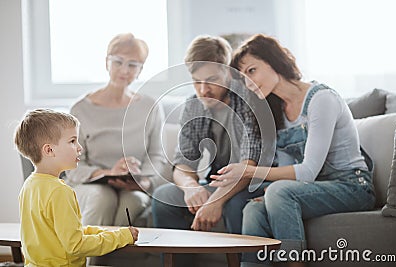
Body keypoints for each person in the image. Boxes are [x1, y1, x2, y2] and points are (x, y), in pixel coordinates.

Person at [210, 34, 376, 267]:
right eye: (243, 78)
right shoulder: (276, 110)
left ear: (273, 60)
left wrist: (250, 172)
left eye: (252, 71)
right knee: (252, 209)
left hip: (352, 186)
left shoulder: (321, 99)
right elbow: (290, 169)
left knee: (278, 192)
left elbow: (307, 172)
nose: (248, 83)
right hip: (313, 188)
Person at [152, 35, 268, 240]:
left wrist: (216, 201)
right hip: (218, 181)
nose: (203, 90)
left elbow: (250, 163)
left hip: (253, 182)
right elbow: (183, 163)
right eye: (196, 82)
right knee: (164, 197)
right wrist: (190, 187)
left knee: (236, 205)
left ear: (229, 72)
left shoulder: (250, 98)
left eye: (212, 80)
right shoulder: (193, 105)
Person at [15, 109, 138, 267]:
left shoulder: (29, 186)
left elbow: (68, 232)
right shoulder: (60, 191)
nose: (79, 147)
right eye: (72, 141)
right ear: (49, 150)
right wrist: (122, 237)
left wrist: (108, 233)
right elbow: (76, 245)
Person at [65, 33, 165, 226]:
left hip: (133, 188)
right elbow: (72, 164)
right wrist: (108, 172)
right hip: (90, 185)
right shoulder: (80, 109)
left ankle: (101, 254)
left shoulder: (151, 106)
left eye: (133, 64)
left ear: (140, 70)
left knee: (132, 202)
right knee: (103, 198)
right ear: (107, 62)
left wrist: (143, 182)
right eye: (118, 61)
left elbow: (156, 156)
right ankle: (86, 255)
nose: (124, 70)